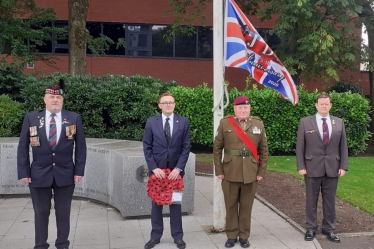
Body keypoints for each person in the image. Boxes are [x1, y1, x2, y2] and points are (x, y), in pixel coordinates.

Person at [17, 81, 87, 249]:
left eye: (58, 97)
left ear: (62, 100)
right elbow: (23, 146)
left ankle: (62, 244)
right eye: (51, 97)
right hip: (39, 173)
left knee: (63, 212)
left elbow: (81, 147)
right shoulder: (32, 118)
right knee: (41, 212)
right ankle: (40, 245)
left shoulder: (73, 118)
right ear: (45, 99)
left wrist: (79, 170)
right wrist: (24, 172)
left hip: (66, 173)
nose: (55, 100)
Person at [213, 96, 268, 248]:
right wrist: (219, 169)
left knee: (246, 206)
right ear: (235, 109)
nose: (243, 110)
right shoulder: (225, 123)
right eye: (240, 108)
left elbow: (263, 150)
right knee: (230, 205)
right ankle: (231, 235)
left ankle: (244, 236)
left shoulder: (258, 123)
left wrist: (261, 171)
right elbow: (217, 149)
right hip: (229, 171)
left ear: (249, 108)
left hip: (250, 171)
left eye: (246, 107)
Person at [296, 93, 348, 243]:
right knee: (311, 200)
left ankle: (329, 229)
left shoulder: (339, 122)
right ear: (316, 105)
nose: (324, 106)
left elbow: (343, 146)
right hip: (311, 167)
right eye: (321, 104)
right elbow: (300, 146)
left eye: (327, 104)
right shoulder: (305, 122)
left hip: (333, 167)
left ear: (330, 105)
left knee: (330, 201)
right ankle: (310, 228)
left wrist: (343, 166)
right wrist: (301, 165)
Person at [142, 92, 191, 249]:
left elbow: (186, 147)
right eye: (165, 102)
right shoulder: (151, 122)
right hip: (157, 172)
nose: (168, 104)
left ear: (174, 104)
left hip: (176, 173)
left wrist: (179, 168)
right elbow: (147, 146)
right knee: (156, 205)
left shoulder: (183, 122)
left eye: (171, 102)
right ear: (159, 105)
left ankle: (178, 237)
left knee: (175, 204)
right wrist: (154, 168)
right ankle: (155, 236)